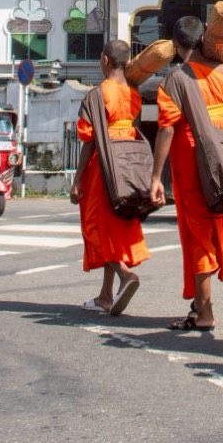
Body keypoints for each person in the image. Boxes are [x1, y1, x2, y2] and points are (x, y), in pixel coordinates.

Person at [149, 16, 223, 332]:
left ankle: (205, 312)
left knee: (197, 232)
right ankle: (200, 304)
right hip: (222, 153)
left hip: (191, 155)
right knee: (217, 225)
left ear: (176, 46)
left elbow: (167, 128)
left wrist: (156, 176)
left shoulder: (177, 77)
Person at [73, 41, 147, 315]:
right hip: (127, 163)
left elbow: (89, 140)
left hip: (103, 166)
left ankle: (125, 274)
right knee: (113, 228)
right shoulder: (133, 93)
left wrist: (77, 178)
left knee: (94, 227)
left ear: (105, 59)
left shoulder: (97, 94)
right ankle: (105, 295)